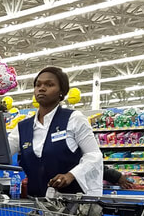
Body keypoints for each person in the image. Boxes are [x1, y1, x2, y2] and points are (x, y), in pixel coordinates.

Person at [8, 66, 103, 196]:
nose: (41, 88)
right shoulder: (22, 127)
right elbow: (2, 153)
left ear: (61, 92)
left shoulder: (74, 119)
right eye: (38, 85)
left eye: (49, 84)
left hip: (70, 205)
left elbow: (93, 155)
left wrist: (71, 175)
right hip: (34, 204)